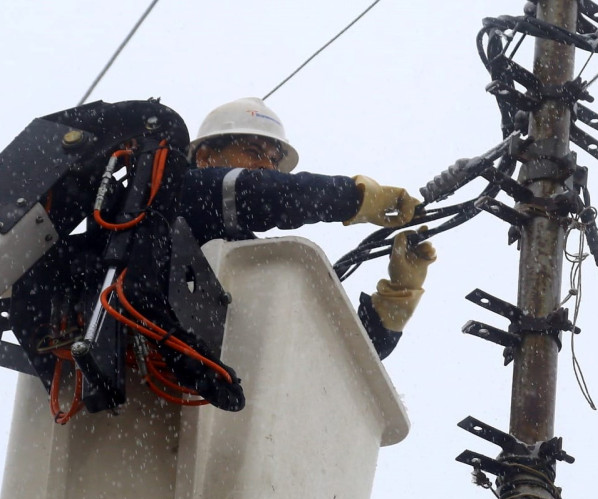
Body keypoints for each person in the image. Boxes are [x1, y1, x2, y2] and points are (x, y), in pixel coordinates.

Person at [178, 97, 436, 359]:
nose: (267, 166)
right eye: (254, 152)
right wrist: (359, 198)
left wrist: (398, 297)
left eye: (274, 161)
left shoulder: (248, 258)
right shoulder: (179, 191)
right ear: (204, 156)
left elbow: (343, 356)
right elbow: (263, 192)